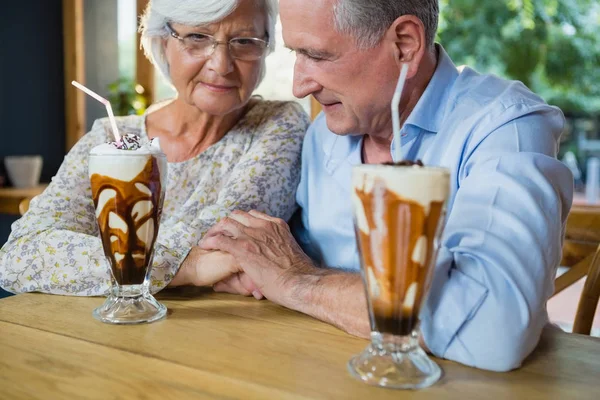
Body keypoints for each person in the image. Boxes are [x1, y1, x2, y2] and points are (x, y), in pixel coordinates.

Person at [199, 0, 574, 372]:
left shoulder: (505, 127)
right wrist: (269, 273)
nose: (299, 86)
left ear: (405, 44)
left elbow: (493, 328)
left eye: (316, 55)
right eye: (296, 53)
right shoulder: (323, 136)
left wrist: (298, 283)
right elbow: (278, 263)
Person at [0, 0, 309, 295]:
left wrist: (92, 262)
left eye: (244, 41)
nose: (221, 64)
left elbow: (225, 243)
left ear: (265, 48)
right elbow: (19, 256)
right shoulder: (109, 137)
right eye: (198, 37)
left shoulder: (278, 125)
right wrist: (190, 267)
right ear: (163, 43)